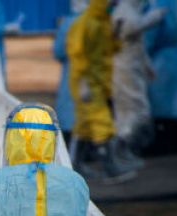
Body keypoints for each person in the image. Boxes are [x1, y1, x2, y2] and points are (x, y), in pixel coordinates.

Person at [67, 0, 138, 182]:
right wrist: (83, 83)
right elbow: (77, 54)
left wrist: (115, 36)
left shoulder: (103, 22)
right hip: (88, 83)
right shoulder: (86, 23)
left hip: (98, 82)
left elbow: (109, 51)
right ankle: (110, 168)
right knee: (102, 123)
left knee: (84, 126)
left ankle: (74, 165)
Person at [110, 0, 167, 158]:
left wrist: (147, 66)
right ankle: (121, 147)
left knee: (132, 110)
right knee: (133, 110)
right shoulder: (124, 12)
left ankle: (125, 149)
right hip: (124, 69)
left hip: (131, 68)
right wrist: (153, 18)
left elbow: (138, 44)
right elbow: (128, 29)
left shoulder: (131, 11)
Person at [145, 0, 177, 155]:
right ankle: (175, 145)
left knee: (160, 106)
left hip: (160, 60)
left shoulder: (158, 5)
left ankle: (162, 147)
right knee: (175, 105)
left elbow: (149, 35)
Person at [54, 2, 87, 149]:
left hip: (72, 72)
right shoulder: (98, 21)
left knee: (69, 111)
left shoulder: (68, 22)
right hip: (95, 75)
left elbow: (59, 51)